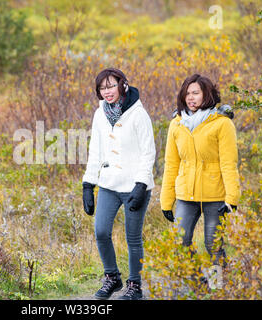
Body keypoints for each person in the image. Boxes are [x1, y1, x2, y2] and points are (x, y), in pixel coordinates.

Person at [82, 68, 156, 300]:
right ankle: (112, 277)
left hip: (135, 187)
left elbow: (148, 152)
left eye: (111, 86)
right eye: (102, 88)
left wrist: (141, 184)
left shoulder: (138, 114)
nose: (107, 92)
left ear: (122, 85)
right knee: (101, 231)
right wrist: (88, 184)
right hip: (108, 185)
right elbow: (96, 151)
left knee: (132, 237)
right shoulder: (99, 114)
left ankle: (135, 285)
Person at [160, 73, 241, 272]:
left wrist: (231, 198)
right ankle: (200, 286)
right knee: (180, 241)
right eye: (187, 93)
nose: (191, 97)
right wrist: (166, 200)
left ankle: (218, 288)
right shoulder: (176, 124)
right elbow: (171, 164)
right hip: (186, 194)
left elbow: (229, 163)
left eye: (196, 93)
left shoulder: (222, 123)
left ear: (207, 94)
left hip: (216, 195)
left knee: (213, 244)